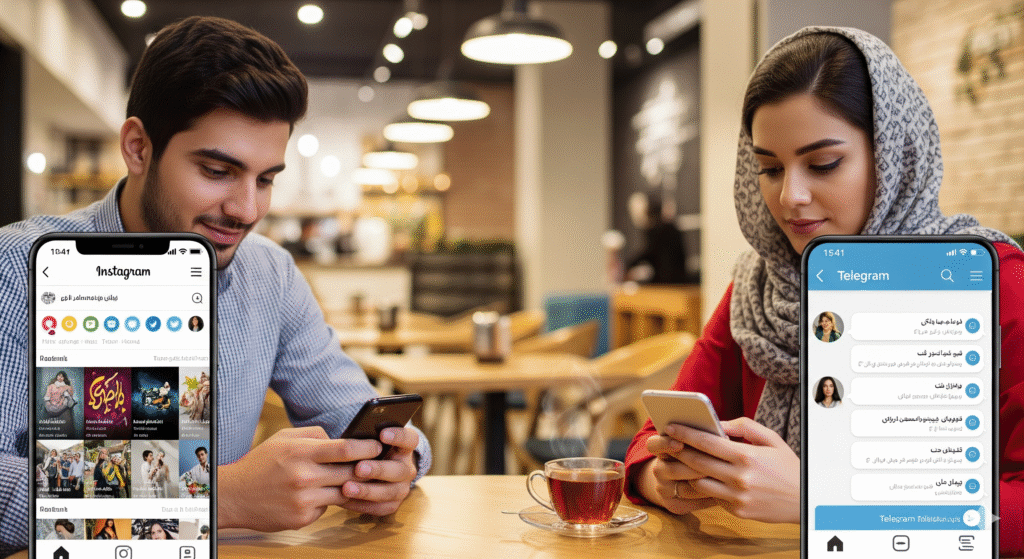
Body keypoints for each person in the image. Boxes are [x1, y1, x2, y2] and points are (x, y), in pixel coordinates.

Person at [0, 15, 430, 552]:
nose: (246, 210)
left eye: (266, 178)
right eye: (217, 171)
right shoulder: (19, 266)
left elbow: (354, 410)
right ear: (137, 147)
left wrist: (398, 461)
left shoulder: (268, 273)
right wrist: (216, 497)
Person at [622, 27, 1024, 556]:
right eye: (768, 168)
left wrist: (823, 497)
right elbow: (652, 439)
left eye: (823, 164)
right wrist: (664, 478)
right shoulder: (758, 289)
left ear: (892, 155)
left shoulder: (994, 283)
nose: (791, 196)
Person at [624, 192, 689, 284]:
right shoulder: (669, 228)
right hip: (677, 280)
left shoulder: (658, 230)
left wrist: (628, 265)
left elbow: (648, 252)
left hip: (668, 282)